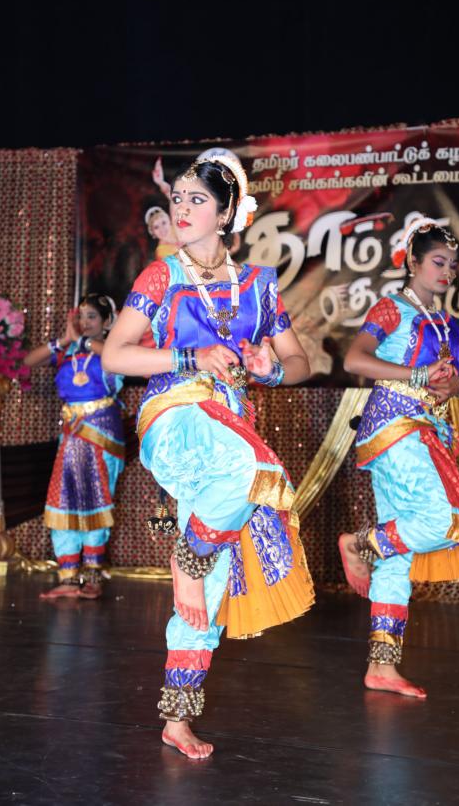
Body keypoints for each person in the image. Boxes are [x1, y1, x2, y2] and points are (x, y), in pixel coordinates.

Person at [102, 154, 314, 759]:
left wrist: (270, 369)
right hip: (176, 415)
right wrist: (190, 358)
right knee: (255, 472)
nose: (182, 208)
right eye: (178, 198)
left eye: (197, 200)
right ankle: (188, 553)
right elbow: (115, 355)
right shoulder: (161, 276)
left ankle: (176, 717)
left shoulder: (259, 285)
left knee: (211, 592)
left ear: (226, 215)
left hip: (231, 423)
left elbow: (299, 362)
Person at [340, 217, 459, 698]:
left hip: (430, 432)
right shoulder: (392, 309)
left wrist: (457, 386)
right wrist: (418, 376)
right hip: (395, 427)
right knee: (445, 519)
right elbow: (355, 359)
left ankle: (381, 668)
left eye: (453, 265)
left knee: (399, 554)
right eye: (438, 262)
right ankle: (359, 543)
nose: (447, 272)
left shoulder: (450, 325)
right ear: (413, 263)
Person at [24, 294, 125, 600]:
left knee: (96, 499)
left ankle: (92, 575)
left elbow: (114, 357)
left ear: (107, 321)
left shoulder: (114, 350)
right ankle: (68, 577)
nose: (85, 322)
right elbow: (25, 363)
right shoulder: (68, 351)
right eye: (81, 316)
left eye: (92, 316)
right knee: (64, 500)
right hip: (71, 436)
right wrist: (65, 341)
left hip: (101, 435)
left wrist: (82, 341)